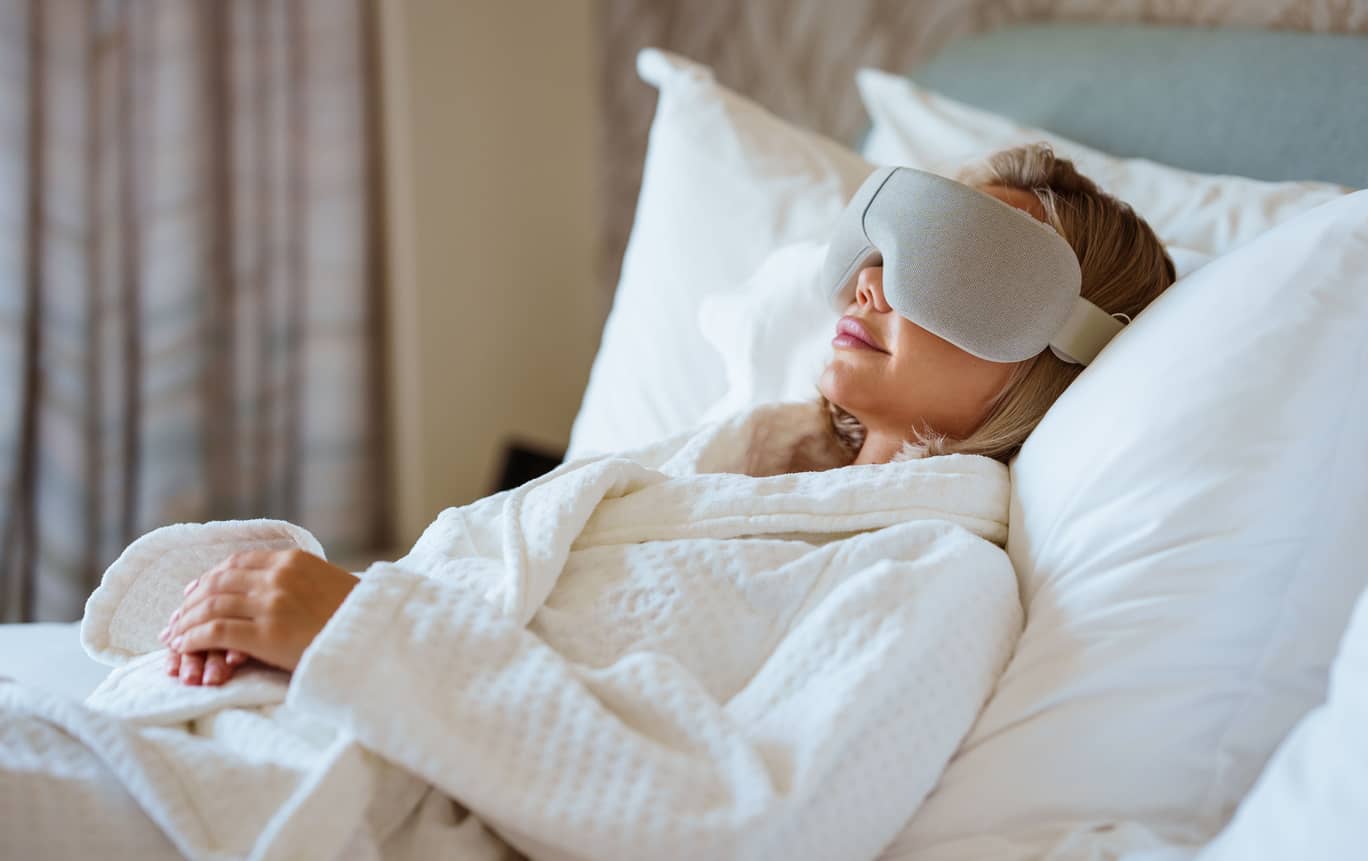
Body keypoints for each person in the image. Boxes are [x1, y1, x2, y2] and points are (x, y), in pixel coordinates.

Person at [5, 143, 1176, 860]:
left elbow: (754, 826)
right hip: (238, 740)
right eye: (886, 236)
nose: (872, 277)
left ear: (1061, 354)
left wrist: (353, 633)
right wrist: (290, 621)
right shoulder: (725, 473)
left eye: (958, 262)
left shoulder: (937, 578)